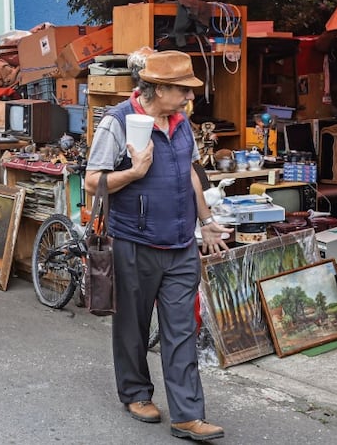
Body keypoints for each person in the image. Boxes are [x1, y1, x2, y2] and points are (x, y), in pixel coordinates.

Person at [84, 50, 231, 442]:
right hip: (134, 242)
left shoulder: (182, 124)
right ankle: (135, 393)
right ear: (159, 88)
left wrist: (206, 222)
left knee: (181, 330)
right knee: (132, 325)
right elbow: (92, 181)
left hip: (181, 245)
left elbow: (191, 174)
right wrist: (134, 173)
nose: (189, 97)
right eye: (183, 90)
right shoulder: (118, 122)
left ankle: (188, 415)